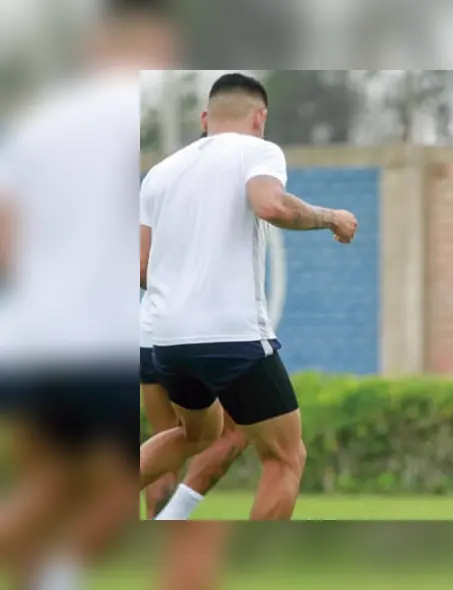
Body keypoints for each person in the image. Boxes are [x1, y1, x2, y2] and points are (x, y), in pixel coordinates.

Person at [0, 2, 176, 587]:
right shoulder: (147, 117)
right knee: (130, 482)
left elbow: (7, 240)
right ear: (159, 42)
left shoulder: (37, 120)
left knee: (50, 487)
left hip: (29, 339)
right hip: (103, 342)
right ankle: (62, 575)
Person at [138, 72, 359, 520]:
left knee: (198, 435)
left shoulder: (160, 173)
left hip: (166, 341)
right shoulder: (258, 151)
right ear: (260, 117)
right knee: (285, 456)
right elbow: (271, 205)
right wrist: (330, 217)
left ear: (206, 117)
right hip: (231, 338)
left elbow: (142, 268)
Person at [141, 291, 249, 520]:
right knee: (236, 431)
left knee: (169, 442)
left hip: (151, 330)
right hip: (201, 333)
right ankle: (171, 517)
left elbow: (142, 268)